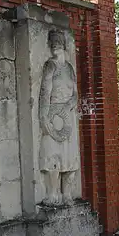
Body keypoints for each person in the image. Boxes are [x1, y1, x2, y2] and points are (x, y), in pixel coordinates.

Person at [38, 29, 79, 206]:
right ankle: (53, 194)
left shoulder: (69, 68)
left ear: (63, 44)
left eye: (58, 41)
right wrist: (44, 116)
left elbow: (76, 94)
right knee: (52, 153)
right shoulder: (50, 65)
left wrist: (70, 105)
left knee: (69, 156)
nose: (55, 44)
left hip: (67, 114)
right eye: (52, 41)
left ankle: (67, 194)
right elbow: (45, 91)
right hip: (53, 112)